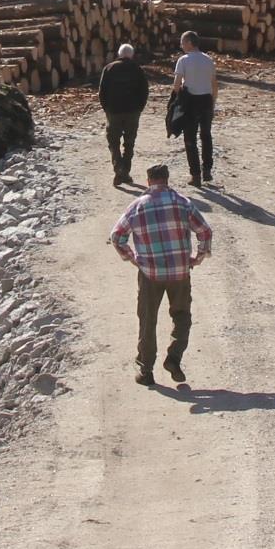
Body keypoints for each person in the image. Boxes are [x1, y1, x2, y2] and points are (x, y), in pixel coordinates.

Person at [110, 161, 211, 388]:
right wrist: (199, 256)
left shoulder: (137, 206)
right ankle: (173, 358)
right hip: (180, 272)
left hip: (150, 274)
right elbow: (205, 231)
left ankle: (146, 370)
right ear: (167, 180)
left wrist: (132, 257)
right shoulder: (183, 203)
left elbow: (117, 237)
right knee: (182, 316)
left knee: (148, 320)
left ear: (148, 181)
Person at [97, 42, 149, 186]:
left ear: (119, 54)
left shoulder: (109, 68)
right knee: (129, 142)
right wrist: (140, 107)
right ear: (131, 55)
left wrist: (106, 108)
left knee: (113, 141)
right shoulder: (137, 69)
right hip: (132, 111)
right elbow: (144, 91)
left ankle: (118, 168)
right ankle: (125, 171)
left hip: (113, 111)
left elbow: (102, 91)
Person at [172, 30, 217, 187]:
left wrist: (176, 99)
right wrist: (213, 102)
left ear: (190, 43)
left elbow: (177, 85)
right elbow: (214, 84)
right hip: (206, 100)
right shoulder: (208, 60)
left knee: (190, 139)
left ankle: (195, 175)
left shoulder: (183, 60)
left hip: (191, 101)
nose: (181, 45)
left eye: (182, 42)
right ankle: (207, 170)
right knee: (206, 136)